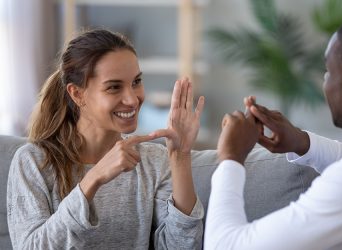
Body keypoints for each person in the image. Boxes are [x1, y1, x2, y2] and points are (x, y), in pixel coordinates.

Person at [205, 14, 342, 249]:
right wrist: (302, 142)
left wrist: (231, 158)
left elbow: (225, 245)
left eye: (328, 72)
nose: (325, 81)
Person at [7, 29, 205, 249]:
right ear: (77, 94)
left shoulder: (154, 161)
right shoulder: (33, 161)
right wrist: (95, 178)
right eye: (114, 87)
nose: (132, 99)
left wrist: (180, 157)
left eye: (136, 82)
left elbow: (180, 247)